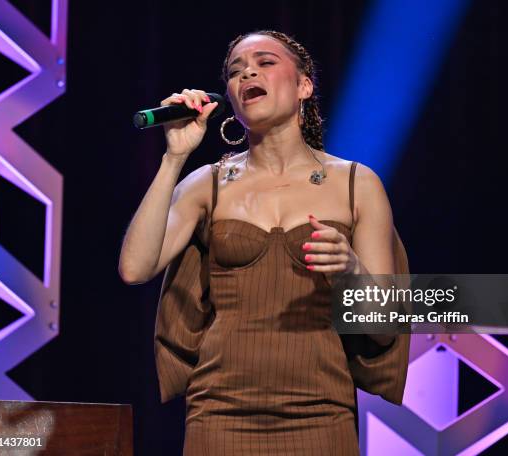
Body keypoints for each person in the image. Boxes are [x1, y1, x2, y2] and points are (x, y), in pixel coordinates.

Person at [119, 30, 410, 455]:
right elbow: (135, 268)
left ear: (304, 86)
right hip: (219, 414)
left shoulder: (356, 184)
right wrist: (175, 157)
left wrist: (352, 270)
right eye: (236, 71)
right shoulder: (208, 184)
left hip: (321, 415)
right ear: (231, 100)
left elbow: (384, 327)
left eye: (265, 62)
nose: (248, 72)